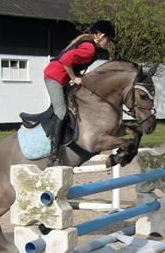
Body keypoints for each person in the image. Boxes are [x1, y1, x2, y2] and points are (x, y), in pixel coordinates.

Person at [42, 20, 116, 166]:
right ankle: (54, 155)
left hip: (59, 77)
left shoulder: (88, 44)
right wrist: (74, 78)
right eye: (108, 39)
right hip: (54, 77)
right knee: (62, 112)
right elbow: (65, 59)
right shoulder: (89, 48)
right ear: (100, 35)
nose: (108, 43)